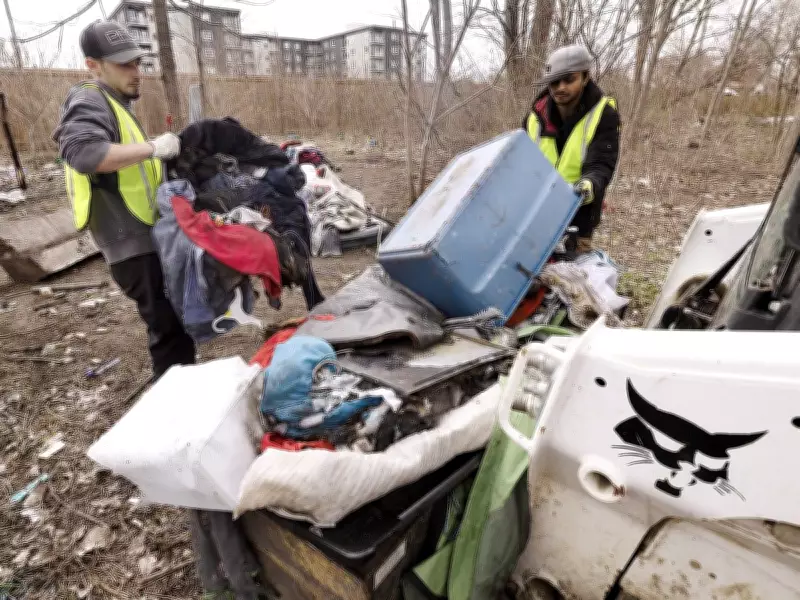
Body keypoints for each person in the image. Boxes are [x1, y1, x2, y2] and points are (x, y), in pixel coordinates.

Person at [53, 20, 194, 380]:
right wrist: (152, 148)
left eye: (137, 62)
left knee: (175, 329)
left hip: (142, 236)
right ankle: (176, 402)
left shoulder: (115, 104)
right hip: (129, 243)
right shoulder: (89, 98)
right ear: (93, 65)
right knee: (169, 334)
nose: (136, 72)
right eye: (124, 65)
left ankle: (182, 393)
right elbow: (83, 153)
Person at [522, 45, 621, 253]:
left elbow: (601, 164)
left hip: (578, 218)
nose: (560, 87)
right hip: (536, 216)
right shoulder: (534, 118)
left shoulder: (604, 114)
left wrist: (587, 185)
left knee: (571, 268)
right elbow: (521, 163)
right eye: (554, 82)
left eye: (569, 80)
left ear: (585, 77)